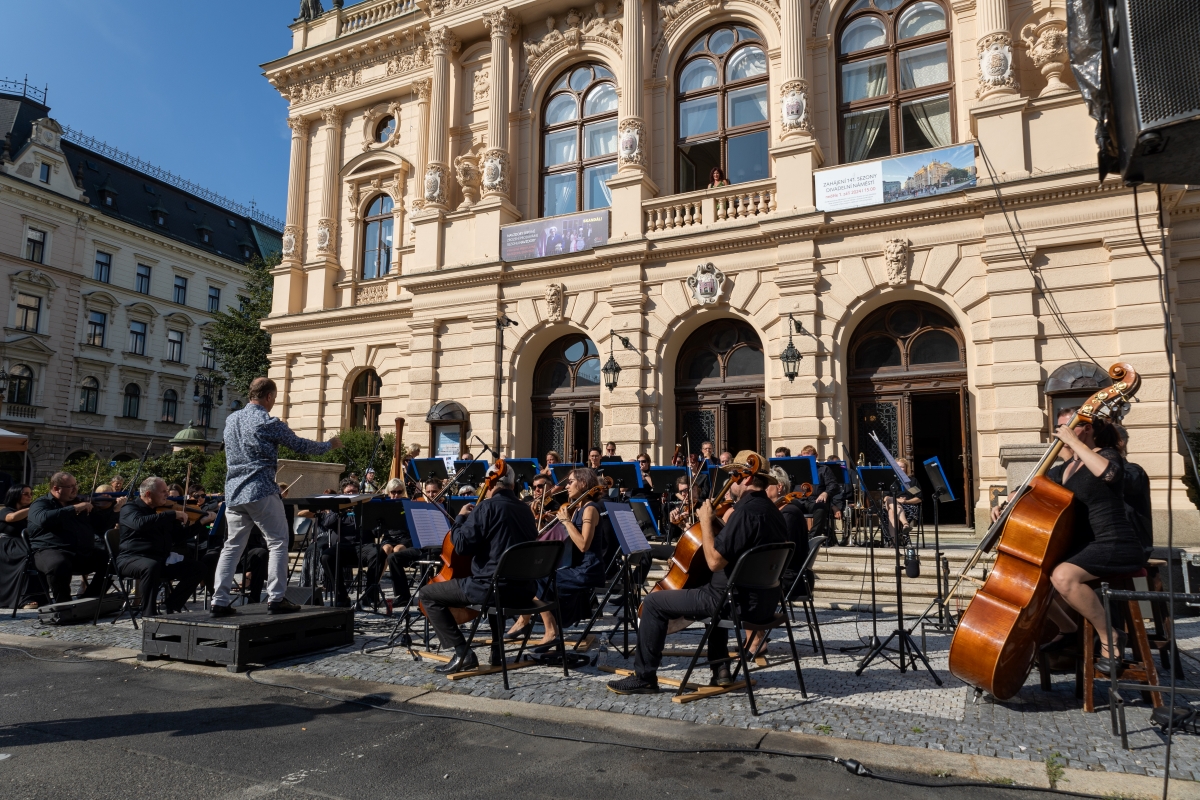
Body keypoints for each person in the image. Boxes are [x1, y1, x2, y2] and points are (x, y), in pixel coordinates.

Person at [608, 451, 788, 694]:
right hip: (766, 603)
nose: (728, 483)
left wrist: (704, 521)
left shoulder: (745, 513)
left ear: (745, 479)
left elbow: (714, 562)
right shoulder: (772, 512)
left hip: (735, 602)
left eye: (732, 476)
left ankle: (644, 677)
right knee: (711, 585)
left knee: (652, 602)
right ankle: (720, 670)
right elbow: (732, 546)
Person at [211, 377, 342, 617]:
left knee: (231, 547)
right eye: (275, 398)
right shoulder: (267, 422)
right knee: (278, 542)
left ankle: (219, 600)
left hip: (234, 492)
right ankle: (276, 598)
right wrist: (329, 445)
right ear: (269, 397)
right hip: (260, 490)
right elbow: (300, 445)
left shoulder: (231, 419)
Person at [417, 464, 537, 673]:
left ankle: (463, 652)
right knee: (498, 577)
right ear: (511, 485)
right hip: (523, 591)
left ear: (491, 483)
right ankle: (497, 651)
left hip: (492, 590)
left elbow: (462, 546)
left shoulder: (486, 507)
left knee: (427, 594)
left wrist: (462, 518)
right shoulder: (525, 510)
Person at [508, 467, 610, 645]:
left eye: (570, 482)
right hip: (577, 564)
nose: (567, 486)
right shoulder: (578, 508)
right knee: (533, 577)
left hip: (587, 568)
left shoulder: (590, 509)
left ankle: (550, 630)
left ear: (583, 483)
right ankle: (524, 621)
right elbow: (563, 534)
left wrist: (566, 521)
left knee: (539, 581)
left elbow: (584, 544)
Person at [117, 477, 212, 617]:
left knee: (198, 568)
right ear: (148, 494)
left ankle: (171, 606)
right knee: (151, 566)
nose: (167, 495)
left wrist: (201, 523)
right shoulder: (130, 508)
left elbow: (178, 537)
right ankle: (149, 613)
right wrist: (172, 514)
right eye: (163, 492)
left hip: (161, 559)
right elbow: (140, 523)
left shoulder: (163, 512)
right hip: (131, 558)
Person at [27, 472, 109, 605]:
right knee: (59, 564)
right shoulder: (41, 503)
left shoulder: (80, 503)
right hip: (49, 551)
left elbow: (101, 525)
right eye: (70, 486)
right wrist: (73, 508)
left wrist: (113, 509)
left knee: (110, 560)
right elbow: (43, 519)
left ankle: (90, 599)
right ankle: (64, 604)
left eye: (75, 485)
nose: (75, 489)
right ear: (56, 488)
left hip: (79, 552)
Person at [315, 478, 384, 608]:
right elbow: (327, 524)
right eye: (348, 492)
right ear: (342, 493)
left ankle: (369, 595)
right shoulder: (336, 509)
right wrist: (340, 509)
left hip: (364, 546)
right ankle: (341, 596)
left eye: (354, 492)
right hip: (344, 548)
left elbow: (377, 533)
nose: (351, 494)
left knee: (378, 552)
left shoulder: (366, 507)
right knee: (326, 556)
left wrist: (376, 525)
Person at [0, 484, 42, 609]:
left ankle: (37, 595)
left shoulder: (30, 512)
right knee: (27, 557)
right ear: (16, 495)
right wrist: (34, 507)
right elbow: (11, 518)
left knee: (40, 555)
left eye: (31, 494)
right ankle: (23, 599)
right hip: (8, 545)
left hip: (24, 544)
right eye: (26, 494)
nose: (30, 496)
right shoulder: (6, 510)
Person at [798, 445, 844, 546]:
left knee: (820, 508)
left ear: (816, 456)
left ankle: (811, 539)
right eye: (804, 457)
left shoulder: (824, 469)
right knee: (789, 506)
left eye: (809, 457)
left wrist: (825, 493)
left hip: (817, 501)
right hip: (801, 501)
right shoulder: (799, 470)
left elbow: (834, 485)